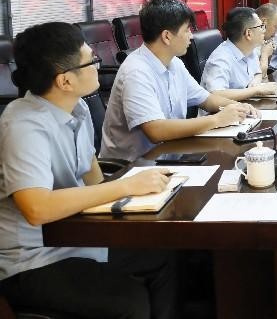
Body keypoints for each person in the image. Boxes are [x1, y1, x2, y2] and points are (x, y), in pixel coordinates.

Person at [0, 22, 176, 318]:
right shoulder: (23, 126)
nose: (98, 64)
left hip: (73, 236)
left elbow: (92, 174)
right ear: (65, 80)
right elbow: (37, 208)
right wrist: (126, 186)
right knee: (128, 302)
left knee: (162, 255)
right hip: (31, 259)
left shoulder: (77, 107)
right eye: (91, 60)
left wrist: (139, 198)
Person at [101, 0, 255, 162]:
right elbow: (156, 130)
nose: (191, 36)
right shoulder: (136, 71)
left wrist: (237, 107)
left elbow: (206, 99)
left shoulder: (174, 63)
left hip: (170, 153)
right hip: (134, 167)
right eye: (187, 30)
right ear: (167, 36)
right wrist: (217, 119)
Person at [200, 7, 277, 101]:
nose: (264, 30)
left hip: (244, 105)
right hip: (222, 109)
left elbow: (257, 72)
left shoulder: (250, 49)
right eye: (261, 26)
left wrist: (255, 82)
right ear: (248, 33)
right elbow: (216, 94)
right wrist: (255, 90)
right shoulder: (221, 58)